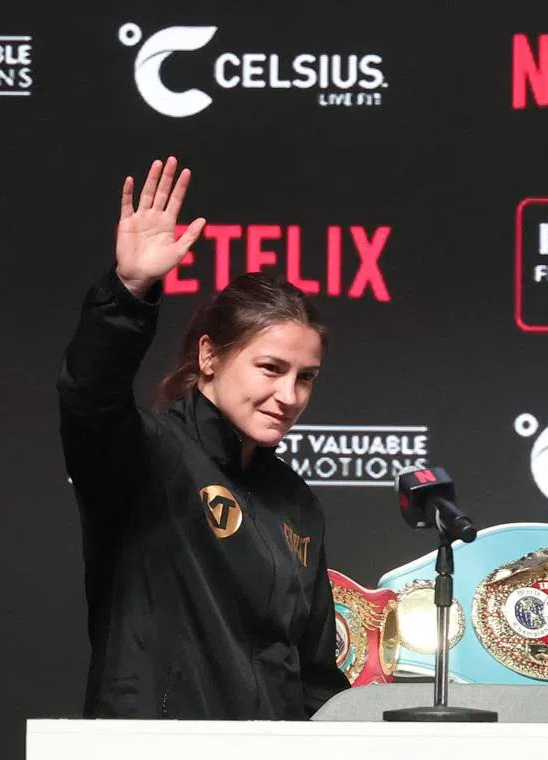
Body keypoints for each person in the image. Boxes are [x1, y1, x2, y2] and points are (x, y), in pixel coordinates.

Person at [57, 156, 350, 720]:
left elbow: (313, 675)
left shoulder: (297, 503)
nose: (289, 395)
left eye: (305, 377)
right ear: (209, 355)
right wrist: (129, 291)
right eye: (270, 368)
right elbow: (88, 395)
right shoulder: (147, 457)